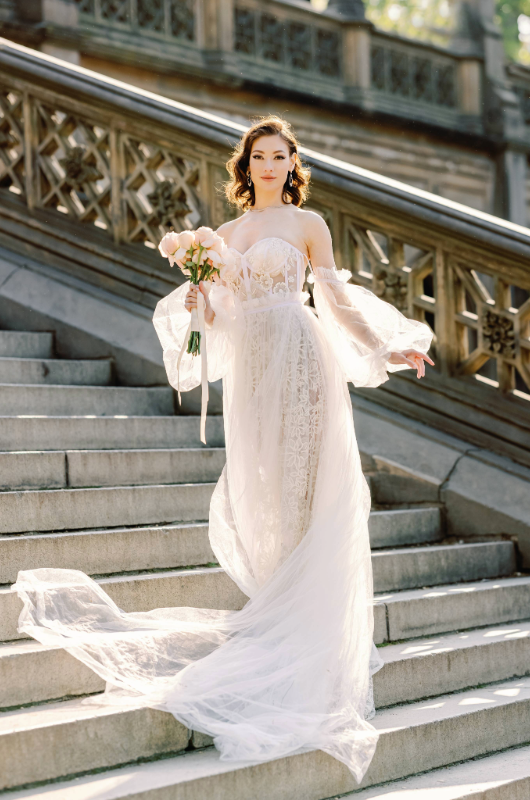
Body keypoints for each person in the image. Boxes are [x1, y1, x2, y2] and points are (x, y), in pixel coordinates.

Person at [14, 116, 433, 785]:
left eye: (281, 155)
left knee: (308, 489)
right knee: (265, 495)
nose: (270, 164)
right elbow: (213, 324)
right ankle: (280, 613)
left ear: (293, 162)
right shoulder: (227, 235)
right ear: (247, 166)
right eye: (259, 156)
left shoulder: (307, 224)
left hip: (301, 358)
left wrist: (387, 346)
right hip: (253, 377)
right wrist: (206, 293)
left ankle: (310, 631)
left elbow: (334, 301)